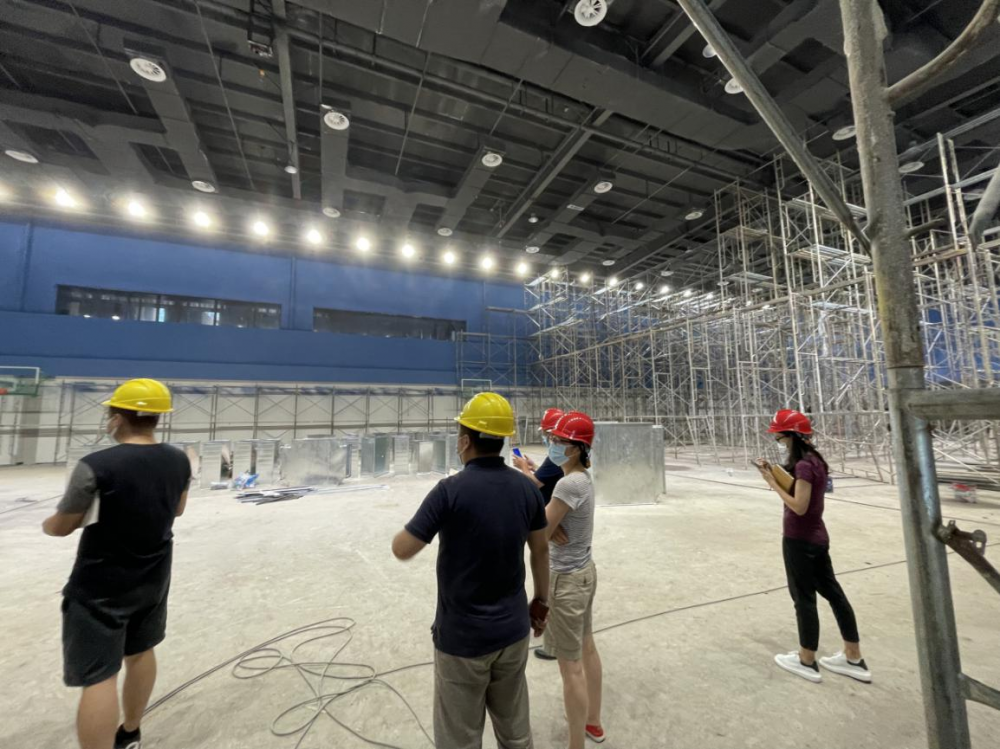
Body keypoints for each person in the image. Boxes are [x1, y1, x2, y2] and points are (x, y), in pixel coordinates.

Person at [392, 392, 550, 749]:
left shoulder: (449, 491)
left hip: (463, 640)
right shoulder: (527, 489)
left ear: (465, 441)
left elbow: (403, 548)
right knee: (516, 732)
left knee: (459, 739)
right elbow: (540, 550)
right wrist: (541, 602)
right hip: (513, 633)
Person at [43, 378, 191, 749]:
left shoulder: (96, 465)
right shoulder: (179, 459)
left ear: (118, 417)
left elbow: (61, 527)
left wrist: (48, 523)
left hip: (101, 583)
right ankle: (131, 733)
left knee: (99, 676)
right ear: (158, 417)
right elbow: (178, 509)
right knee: (141, 651)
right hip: (153, 576)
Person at [754, 409, 871, 684]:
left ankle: (806, 660)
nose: (778, 441)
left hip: (800, 540)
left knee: (803, 598)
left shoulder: (805, 466)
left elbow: (799, 506)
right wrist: (776, 472)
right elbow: (799, 487)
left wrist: (771, 483)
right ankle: (853, 657)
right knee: (835, 595)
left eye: (780, 436)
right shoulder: (814, 461)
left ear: (791, 436)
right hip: (817, 538)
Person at [543, 411, 605, 748]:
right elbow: (550, 526)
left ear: (577, 448)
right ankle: (592, 721)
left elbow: (538, 534)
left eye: (558, 441)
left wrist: (546, 529)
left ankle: (575, 744)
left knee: (571, 667)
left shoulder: (567, 484)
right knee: (587, 648)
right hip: (584, 573)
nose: (552, 444)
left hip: (566, 581)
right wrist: (550, 527)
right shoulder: (582, 480)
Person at [512, 407, 565, 661]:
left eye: (548, 435)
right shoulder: (558, 458)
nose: (546, 439)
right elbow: (543, 478)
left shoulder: (559, 461)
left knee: (556, 584)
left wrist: (523, 468)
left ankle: (557, 643)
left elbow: (536, 483)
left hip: (552, 525)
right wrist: (531, 467)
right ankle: (556, 638)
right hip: (550, 520)